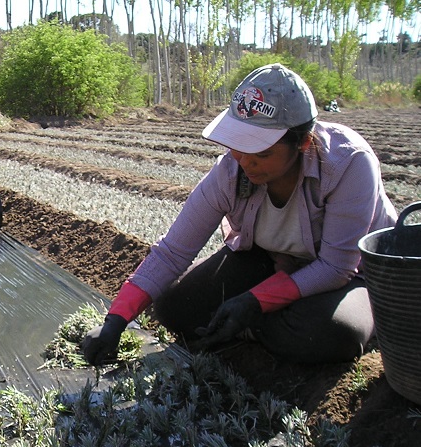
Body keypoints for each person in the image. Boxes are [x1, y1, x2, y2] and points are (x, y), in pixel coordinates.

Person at [82, 63, 397, 366]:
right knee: (175, 309)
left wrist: (255, 301)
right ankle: (264, 318)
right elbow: (172, 252)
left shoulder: (348, 164)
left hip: (354, 275)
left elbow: (335, 267)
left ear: (301, 142)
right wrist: (116, 320)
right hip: (275, 261)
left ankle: (262, 322)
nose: (246, 162)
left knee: (331, 333)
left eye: (261, 152)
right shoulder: (231, 171)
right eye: (238, 145)